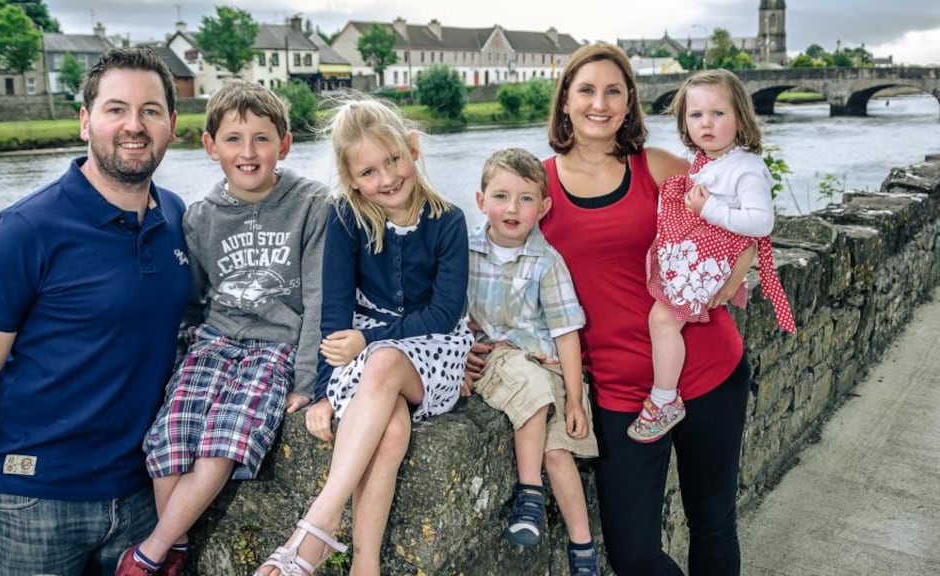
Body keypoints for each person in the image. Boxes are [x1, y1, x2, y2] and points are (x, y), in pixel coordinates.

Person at [465, 43, 752, 575]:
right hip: (618, 396)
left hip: (708, 372)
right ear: (566, 102)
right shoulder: (536, 189)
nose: (600, 103)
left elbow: (749, 229)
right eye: (587, 90)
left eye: (613, 91)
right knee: (632, 554)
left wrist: (724, 286)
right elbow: (492, 275)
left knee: (712, 525)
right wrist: (474, 347)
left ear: (628, 104)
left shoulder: (661, 168)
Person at [0, 46, 189, 576]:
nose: (133, 125)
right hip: (35, 501)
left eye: (150, 110)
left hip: (145, 500)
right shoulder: (25, 231)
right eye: (116, 109)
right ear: (85, 122)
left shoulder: (177, 217)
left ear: (172, 125)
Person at [115, 81, 329, 575]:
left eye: (261, 138)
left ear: (285, 144)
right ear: (211, 146)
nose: (248, 152)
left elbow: (317, 296)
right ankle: (179, 547)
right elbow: (192, 302)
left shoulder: (311, 205)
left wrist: (305, 380)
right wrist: (177, 361)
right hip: (212, 344)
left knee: (224, 443)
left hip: (274, 348)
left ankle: (149, 552)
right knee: (168, 442)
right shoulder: (200, 218)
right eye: (233, 139)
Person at [258, 97, 471, 576]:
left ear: (412, 149)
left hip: (433, 347)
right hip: (365, 345)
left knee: (383, 361)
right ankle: (365, 564)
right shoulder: (345, 217)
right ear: (352, 178)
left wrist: (369, 342)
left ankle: (313, 528)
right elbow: (334, 310)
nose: (387, 178)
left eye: (393, 160)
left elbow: (443, 313)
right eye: (370, 171)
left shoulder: (448, 221)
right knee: (391, 428)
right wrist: (323, 393)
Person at [632, 69, 797, 443]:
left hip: (714, 258)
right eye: (696, 115)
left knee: (662, 319)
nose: (706, 123)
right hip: (703, 256)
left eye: (718, 113)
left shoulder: (746, 166)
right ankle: (665, 395)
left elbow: (760, 222)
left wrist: (707, 211)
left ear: (739, 117)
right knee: (661, 315)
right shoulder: (707, 160)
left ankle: (664, 399)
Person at [465, 147, 601, 574]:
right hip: (500, 360)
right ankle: (529, 497)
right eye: (501, 196)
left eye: (526, 199)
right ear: (481, 200)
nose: (512, 208)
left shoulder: (547, 262)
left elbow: (565, 331)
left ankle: (583, 551)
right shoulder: (463, 254)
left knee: (558, 452)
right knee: (532, 387)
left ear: (543, 207)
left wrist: (576, 399)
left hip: (547, 366)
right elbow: (450, 314)